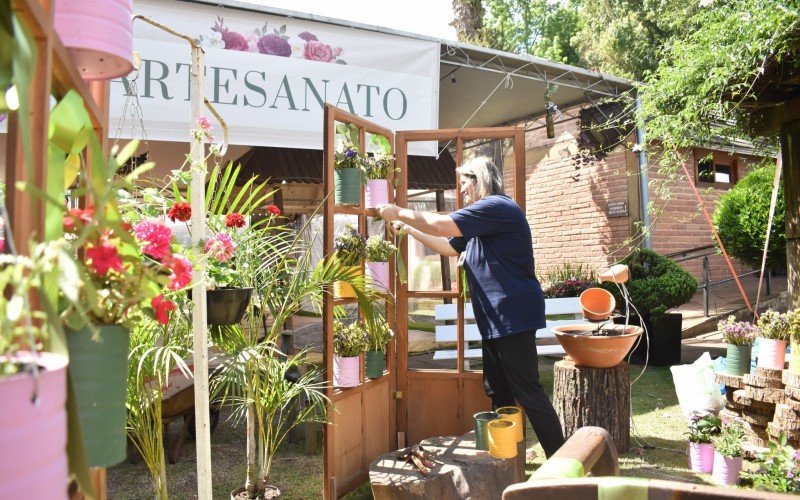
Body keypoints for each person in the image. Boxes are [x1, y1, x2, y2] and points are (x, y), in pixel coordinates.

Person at [376, 156, 565, 458]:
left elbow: (442, 224)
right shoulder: (481, 224)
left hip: (512, 316)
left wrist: (400, 210)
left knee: (527, 391)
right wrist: (409, 230)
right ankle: (508, 456)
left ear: (479, 181)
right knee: (498, 390)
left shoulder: (497, 208)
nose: (462, 191)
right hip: (494, 319)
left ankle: (563, 461)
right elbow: (448, 246)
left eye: (464, 184)